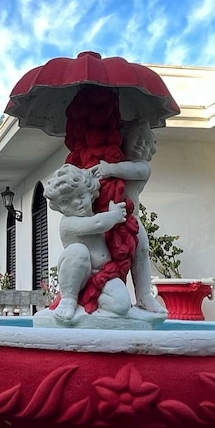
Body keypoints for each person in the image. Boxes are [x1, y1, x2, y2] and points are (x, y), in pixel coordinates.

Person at [90, 118, 165, 315]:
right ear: (124, 138)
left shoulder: (141, 167)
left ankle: (144, 295)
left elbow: (134, 171)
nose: (141, 145)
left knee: (142, 249)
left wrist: (110, 169)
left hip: (131, 217)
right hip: (106, 217)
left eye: (146, 143)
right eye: (137, 139)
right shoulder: (112, 157)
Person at [44, 164, 130, 321]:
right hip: (80, 274)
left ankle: (94, 302)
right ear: (58, 206)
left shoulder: (96, 214)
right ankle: (69, 299)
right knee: (77, 251)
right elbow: (97, 224)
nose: (76, 203)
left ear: (91, 194)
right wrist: (115, 215)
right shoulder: (68, 223)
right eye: (66, 201)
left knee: (122, 305)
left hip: (103, 273)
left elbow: (99, 221)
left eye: (80, 196)